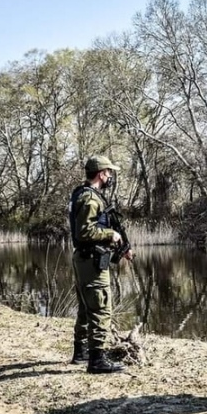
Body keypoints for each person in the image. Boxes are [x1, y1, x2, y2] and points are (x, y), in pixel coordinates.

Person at [68, 155, 134, 374]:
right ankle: (97, 360)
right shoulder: (90, 199)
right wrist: (110, 234)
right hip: (91, 261)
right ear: (101, 173)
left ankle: (81, 352)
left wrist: (121, 244)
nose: (110, 176)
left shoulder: (84, 194)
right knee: (100, 308)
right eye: (109, 172)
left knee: (86, 308)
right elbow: (84, 231)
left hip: (85, 259)